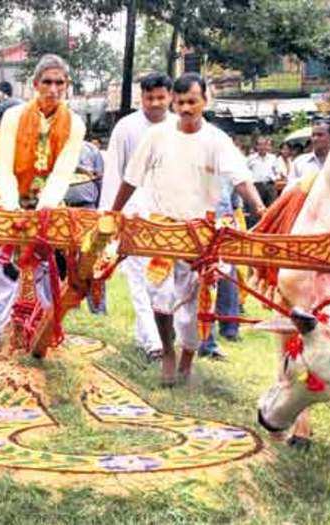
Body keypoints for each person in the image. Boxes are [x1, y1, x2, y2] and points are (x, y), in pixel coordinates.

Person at [112, 72, 265, 386]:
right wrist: (113, 214)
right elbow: (131, 177)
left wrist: (262, 210)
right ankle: (168, 352)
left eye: (192, 102)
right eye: (180, 102)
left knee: (191, 304)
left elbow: (240, 178)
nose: (185, 108)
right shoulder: (156, 136)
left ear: (204, 102)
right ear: (173, 101)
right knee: (159, 298)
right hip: (161, 230)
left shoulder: (216, 140)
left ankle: (187, 357)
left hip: (200, 233)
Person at [0, 54, 85, 353]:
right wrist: (14, 210)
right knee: (1, 269)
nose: (53, 89)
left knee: (50, 267)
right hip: (10, 199)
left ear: (67, 86)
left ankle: (48, 330)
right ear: (35, 84)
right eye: (47, 82)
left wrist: (43, 213)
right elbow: (3, 168)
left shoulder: (75, 125)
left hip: (49, 204)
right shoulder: (14, 117)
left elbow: (64, 170)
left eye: (60, 83)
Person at [99, 72, 175, 361]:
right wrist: (110, 217)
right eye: (149, 97)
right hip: (132, 213)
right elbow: (114, 173)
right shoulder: (126, 127)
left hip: (168, 217)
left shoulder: (179, 128)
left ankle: (146, 334)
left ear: (169, 97)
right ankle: (154, 343)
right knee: (137, 278)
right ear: (140, 98)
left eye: (160, 97)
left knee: (163, 282)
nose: (155, 103)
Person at [285, 119, 330, 191]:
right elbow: (288, 189)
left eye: (320, 135)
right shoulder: (300, 162)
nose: (315, 139)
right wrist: (305, 182)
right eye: (313, 135)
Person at [246, 136, 278, 206]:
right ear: (256, 146)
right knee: (257, 208)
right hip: (257, 186)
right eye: (260, 145)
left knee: (271, 209)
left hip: (270, 185)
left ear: (267, 146)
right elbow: (245, 172)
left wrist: (274, 178)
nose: (262, 147)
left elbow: (277, 171)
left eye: (264, 144)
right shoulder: (251, 158)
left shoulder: (273, 158)